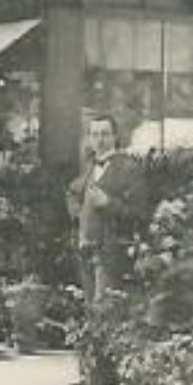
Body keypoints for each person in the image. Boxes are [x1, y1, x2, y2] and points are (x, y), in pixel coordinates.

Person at [67, 113, 142, 301]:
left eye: (104, 134)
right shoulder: (90, 168)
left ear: (115, 137)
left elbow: (139, 212)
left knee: (105, 311)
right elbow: (72, 192)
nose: (99, 140)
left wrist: (108, 203)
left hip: (111, 252)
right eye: (95, 135)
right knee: (89, 309)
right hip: (86, 250)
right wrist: (78, 213)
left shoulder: (128, 168)